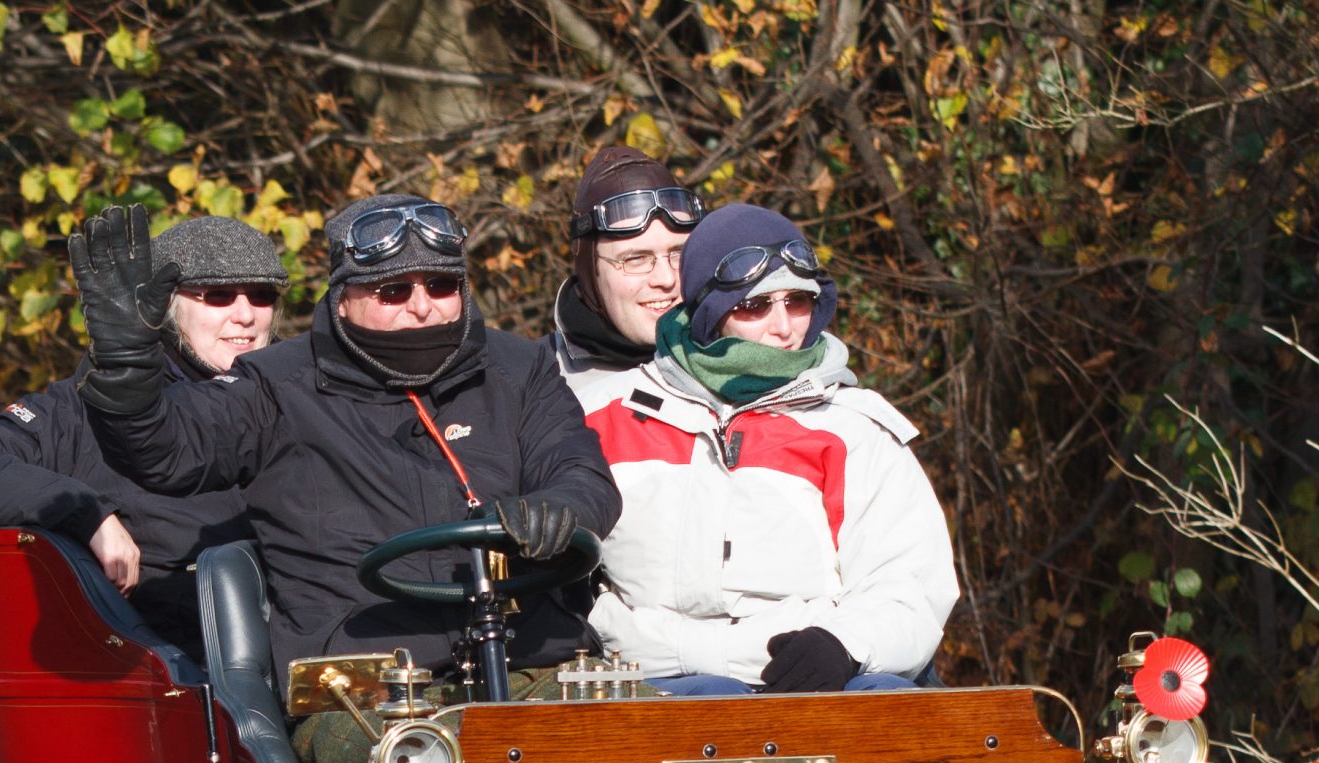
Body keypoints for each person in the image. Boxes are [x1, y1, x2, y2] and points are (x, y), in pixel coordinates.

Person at [67, 195, 621, 694]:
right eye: (393, 290)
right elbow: (165, 449)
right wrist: (127, 362)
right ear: (341, 301)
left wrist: (559, 513)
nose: (422, 306)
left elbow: (583, 475)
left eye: (442, 285)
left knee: (630, 761)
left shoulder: (521, 369)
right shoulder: (275, 386)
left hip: (533, 661)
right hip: (359, 686)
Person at [565, 203, 956, 695]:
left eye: (798, 301)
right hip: (654, 676)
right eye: (754, 306)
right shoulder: (601, 414)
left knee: (894, 710)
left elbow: (909, 585)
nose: (783, 327)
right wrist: (603, 633)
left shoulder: (852, 427)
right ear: (708, 311)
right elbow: (559, 567)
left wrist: (843, 643)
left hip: (804, 673)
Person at [0, 216, 285, 657]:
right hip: (186, 690)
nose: (244, 315)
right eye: (218, 295)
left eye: (262, 296)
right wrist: (85, 512)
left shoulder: (299, 396)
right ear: (165, 306)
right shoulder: (90, 410)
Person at [548, 146, 702, 378]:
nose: (666, 279)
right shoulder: (537, 384)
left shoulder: (741, 358)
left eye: (678, 253)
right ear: (590, 272)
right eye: (636, 259)